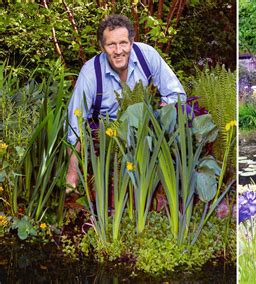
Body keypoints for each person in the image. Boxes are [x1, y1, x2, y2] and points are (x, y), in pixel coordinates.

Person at [66, 14, 186, 192]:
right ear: (102, 47)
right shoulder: (90, 73)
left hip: (145, 131)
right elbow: (75, 124)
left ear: (131, 42)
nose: (118, 50)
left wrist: (162, 116)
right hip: (108, 138)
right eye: (111, 45)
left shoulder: (147, 55)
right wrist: (72, 173)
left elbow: (176, 93)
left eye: (123, 43)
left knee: (183, 114)